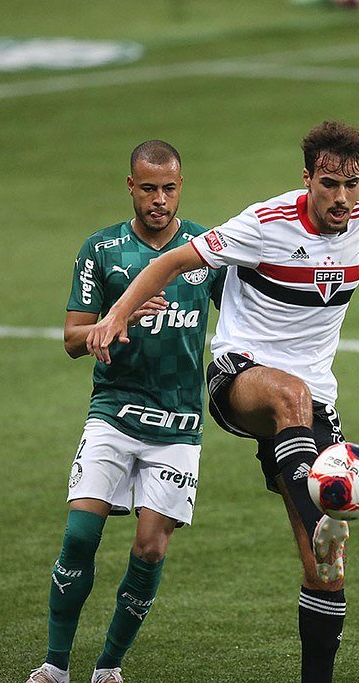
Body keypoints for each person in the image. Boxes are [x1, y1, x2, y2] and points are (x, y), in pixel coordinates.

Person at [86, 121, 359, 682]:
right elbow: (172, 262)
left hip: (311, 411)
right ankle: (322, 509)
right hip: (241, 377)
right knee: (289, 393)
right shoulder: (264, 224)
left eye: (351, 185)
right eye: (329, 184)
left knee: (325, 569)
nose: (341, 197)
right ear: (308, 179)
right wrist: (114, 315)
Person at [27, 140, 224, 683]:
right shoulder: (101, 250)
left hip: (179, 425)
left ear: (180, 186)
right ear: (130, 187)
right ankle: (55, 666)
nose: (159, 200)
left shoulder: (206, 251)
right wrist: (119, 320)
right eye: (148, 189)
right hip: (113, 413)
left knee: (149, 549)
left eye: (169, 188)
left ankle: (108, 668)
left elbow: (243, 321)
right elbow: (71, 338)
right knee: (79, 537)